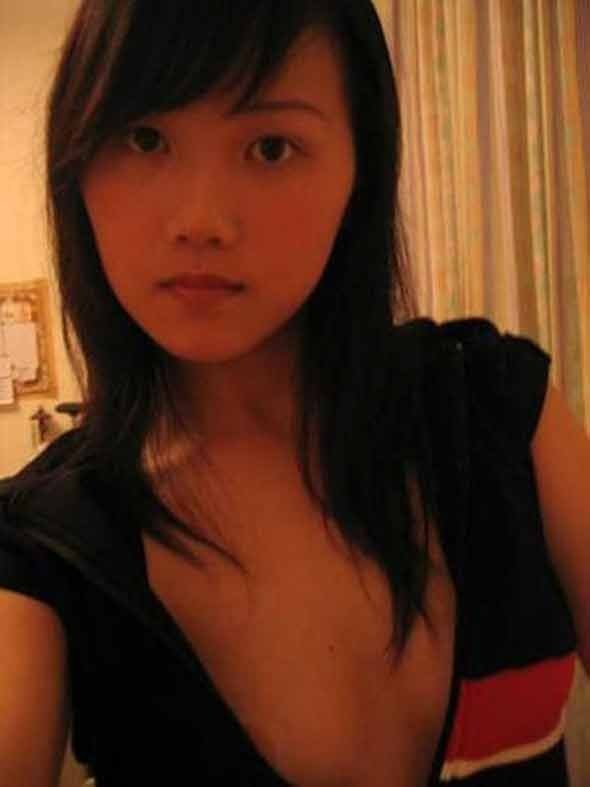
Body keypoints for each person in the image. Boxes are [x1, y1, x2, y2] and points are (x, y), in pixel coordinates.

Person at [0, 1, 588, 785]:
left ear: (360, 170)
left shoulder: (496, 409)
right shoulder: (47, 546)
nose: (201, 220)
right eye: (145, 138)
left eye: (270, 147)